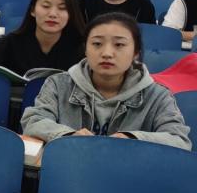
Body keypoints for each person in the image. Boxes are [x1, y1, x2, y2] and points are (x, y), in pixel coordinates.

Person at [21, 13, 190, 149]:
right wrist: (69, 135)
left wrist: (133, 138)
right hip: (70, 170)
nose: (107, 53)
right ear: (86, 49)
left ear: (136, 52)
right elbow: (34, 121)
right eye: (97, 44)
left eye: (119, 45)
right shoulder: (59, 84)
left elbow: (179, 140)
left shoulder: (157, 96)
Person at [0, 0, 85, 75]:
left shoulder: (81, 48)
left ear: (71, 14)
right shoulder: (12, 43)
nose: (53, 14)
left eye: (62, 8)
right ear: (32, 10)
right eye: (46, 6)